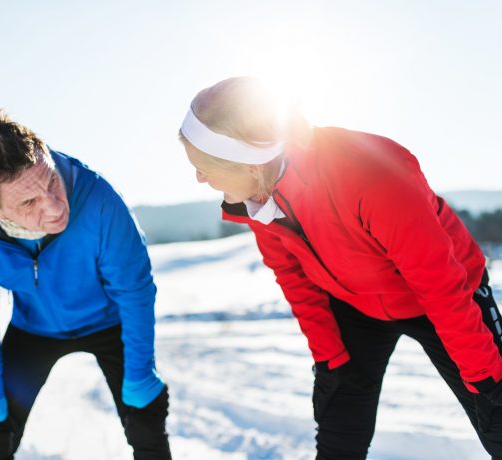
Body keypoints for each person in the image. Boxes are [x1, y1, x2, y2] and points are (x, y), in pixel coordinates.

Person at [178, 77, 502, 459]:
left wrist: (485, 378)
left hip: (442, 297)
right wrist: (329, 358)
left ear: (249, 163)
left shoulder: (369, 172)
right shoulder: (259, 199)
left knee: (497, 418)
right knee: (338, 432)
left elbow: (439, 284)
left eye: (204, 167)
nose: (199, 178)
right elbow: (294, 280)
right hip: (355, 304)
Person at [0, 110, 171, 460]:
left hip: (110, 321)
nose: (54, 206)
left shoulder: (97, 198)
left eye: (50, 181)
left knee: (145, 415)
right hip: (33, 329)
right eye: (29, 202)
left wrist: (139, 375)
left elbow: (134, 289)